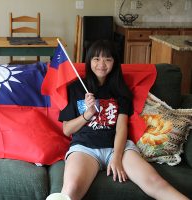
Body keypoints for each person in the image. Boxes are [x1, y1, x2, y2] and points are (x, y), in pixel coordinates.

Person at [46, 40, 188, 200]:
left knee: (155, 182)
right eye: (96, 59)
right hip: (85, 148)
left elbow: (121, 128)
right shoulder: (76, 88)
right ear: (89, 61)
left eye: (108, 59)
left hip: (119, 147)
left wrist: (117, 158)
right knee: (70, 190)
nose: (101, 64)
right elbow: (67, 130)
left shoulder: (121, 90)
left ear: (114, 62)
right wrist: (88, 113)